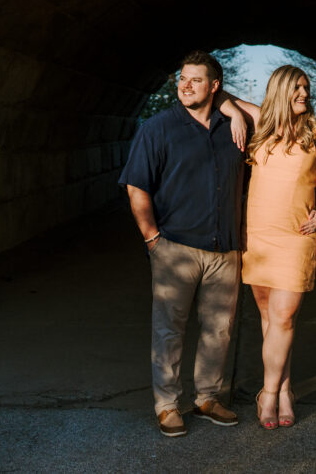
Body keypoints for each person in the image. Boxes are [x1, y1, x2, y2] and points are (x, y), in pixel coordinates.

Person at [118, 50, 248, 438]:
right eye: (182, 78)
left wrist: (236, 110)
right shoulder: (157, 128)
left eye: (195, 79)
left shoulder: (233, 127)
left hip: (225, 249)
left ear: (214, 86)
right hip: (174, 247)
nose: (184, 85)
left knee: (219, 330)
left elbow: (276, 114)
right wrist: (152, 238)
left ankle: (207, 397)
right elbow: (136, 185)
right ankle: (168, 405)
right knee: (169, 330)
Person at [228, 65, 316, 429]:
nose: (304, 93)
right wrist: (234, 115)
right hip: (257, 237)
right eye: (297, 88)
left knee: (283, 316)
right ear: (280, 90)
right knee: (271, 319)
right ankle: (284, 389)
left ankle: (267, 394)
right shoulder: (260, 123)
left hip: (296, 237)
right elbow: (219, 94)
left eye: (306, 88)